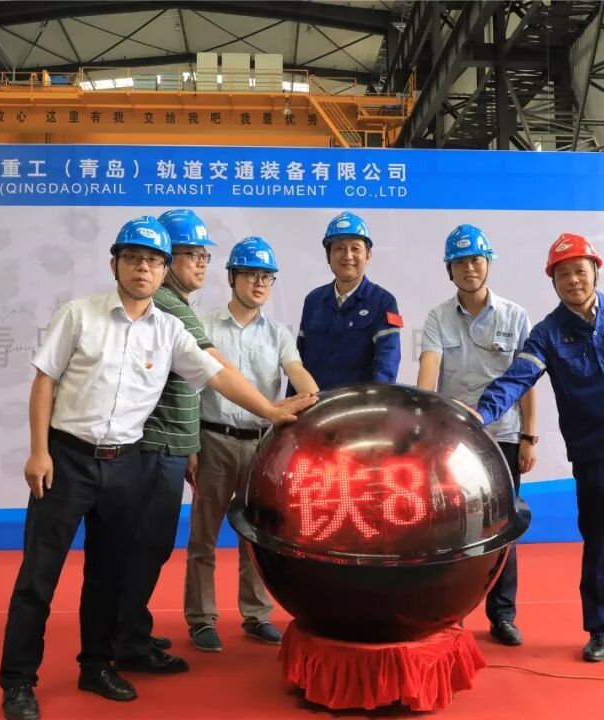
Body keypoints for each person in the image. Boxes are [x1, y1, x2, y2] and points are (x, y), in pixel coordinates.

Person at [0, 217, 315, 720]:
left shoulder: (170, 331)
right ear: (115, 264)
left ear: (163, 270)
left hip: (124, 466)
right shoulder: (79, 315)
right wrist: (39, 451)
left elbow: (217, 376)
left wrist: (271, 412)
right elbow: (44, 381)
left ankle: (96, 665)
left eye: (152, 261)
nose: (142, 268)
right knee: (39, 576)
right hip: (67, 461)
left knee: (106, 576)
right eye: (132, 258)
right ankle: (18, 682)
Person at [474, 233, 604, 666]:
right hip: (594, 453)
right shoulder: (548, 333)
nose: (573, 281)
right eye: (563, 274)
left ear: (595, 272)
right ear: (553, 281)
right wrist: (481, 413)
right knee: (597, 543)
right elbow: (516, 379)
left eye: (580, 271)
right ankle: (601, 630)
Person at [185, 237, 320, 652]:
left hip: (262, 447)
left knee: (257, 537)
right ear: (231, 277)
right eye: (250, 274)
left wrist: (314, 397)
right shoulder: (203, 326)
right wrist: (191, 446)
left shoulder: (278, 333)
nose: (259, 283)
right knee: (203, 537)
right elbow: (189, 390)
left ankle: (257, 614)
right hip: (213, 441)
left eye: (267, 276)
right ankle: (201, 619)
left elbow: (298, 372)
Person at [112, 208, 221, 676]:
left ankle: (127, 628)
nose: (200, 263)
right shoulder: (169, 304)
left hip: (170, 445)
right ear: (168, 258)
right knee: (147, 545)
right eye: (191, 254)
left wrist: (190, 446)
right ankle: (128, 642)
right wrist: (270, 408)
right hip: (155, 447)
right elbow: (214, 370)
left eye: (204, 255)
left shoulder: (173, 304)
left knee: (144, 544)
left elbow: (182, 385)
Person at [416, 224, 536, 647]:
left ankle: (502, 615)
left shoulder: (514, 316)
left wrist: (529, 437)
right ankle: (451, 614)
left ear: (488, 265)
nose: (470, 268)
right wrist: (422, 424)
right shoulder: (438, 317)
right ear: (449, 269)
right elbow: (429, 372)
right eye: (461, 262)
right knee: (450, 530)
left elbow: (526, 381)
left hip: (503, 437)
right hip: (452, 442)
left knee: (503, 529)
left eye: (476, 260)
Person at [292, 211, 401, 392]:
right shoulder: (313, 301)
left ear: (368, 255)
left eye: (355, 248)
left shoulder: (383, 302)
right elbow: (298, 363)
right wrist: (292, 403)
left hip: (361, 406)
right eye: (339, 248)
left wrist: (376, 402)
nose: (348, 256)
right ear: (328, 256)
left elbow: (387, 363)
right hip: (316, 405)